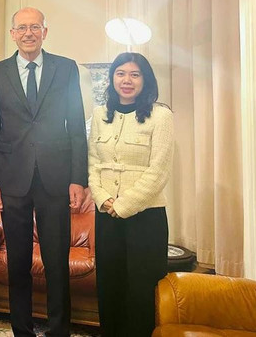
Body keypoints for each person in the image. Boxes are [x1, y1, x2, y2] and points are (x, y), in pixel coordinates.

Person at [0, 7, 88, 337]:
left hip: (55, 179)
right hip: (12, 180)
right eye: (22, 27)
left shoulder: (65, 68)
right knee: (18, 262)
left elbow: (75, 126)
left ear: (45, 31)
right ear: (12, 33)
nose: (28, 33)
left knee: (56, 262)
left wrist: (78, 178)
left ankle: (59, 331)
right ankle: (22, 330)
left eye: (35, 27)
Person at [88, 52, 173, 337]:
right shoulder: (100, 115)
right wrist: (103, 199)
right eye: (121, 73)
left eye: (135, 74)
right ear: (111, 79)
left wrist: (123, 205)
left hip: (145, 218)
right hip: (106, 216)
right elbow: (93, 164)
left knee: (141, 292)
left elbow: (158, 171)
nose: (127, 80)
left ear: (145, 80)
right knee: (109, 287)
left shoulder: (161, 116)